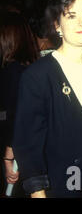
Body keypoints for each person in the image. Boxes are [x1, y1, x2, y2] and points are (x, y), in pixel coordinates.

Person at [12, 0, 82, 198]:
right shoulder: (37, 77)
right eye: (71, 16)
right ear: (57, 25)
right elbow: (29, 150)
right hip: (60, 188)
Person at [0, 12, 40, 197]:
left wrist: (8, 157)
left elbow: (13, 116)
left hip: (15, 151)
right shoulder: (32, 68)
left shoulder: (13, 71)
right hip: (32, 150)